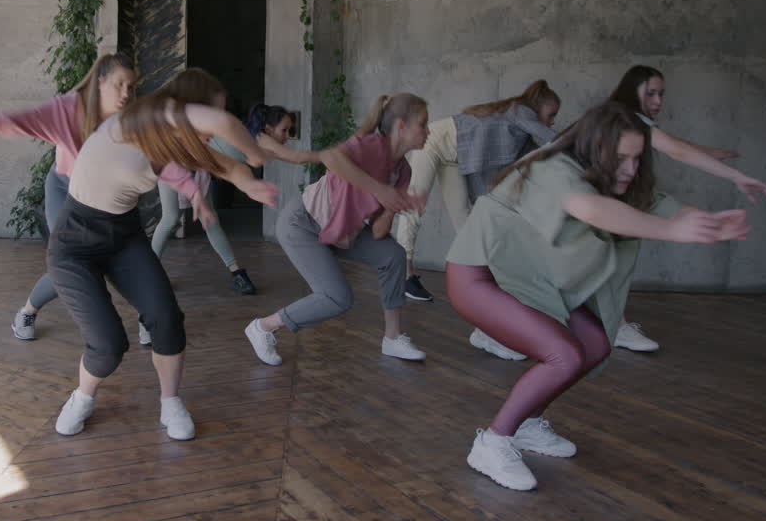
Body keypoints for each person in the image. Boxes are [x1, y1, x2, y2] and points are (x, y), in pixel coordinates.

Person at [445, 101, 748, 490]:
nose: (630, 169)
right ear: (592, 148)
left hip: (528, 278)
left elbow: (667, 209)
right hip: (479, 274)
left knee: (595, 343)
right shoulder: (553, 167)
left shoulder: (620, 181)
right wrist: (672, 232)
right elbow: (589, 208)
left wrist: (709, 224)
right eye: (621, 158)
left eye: (637, 159)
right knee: (564, 354)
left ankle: (527, 424)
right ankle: (492, 442)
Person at [48, 68, 276, 440]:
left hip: (124, 235)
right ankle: (82, 398)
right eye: (207, 115)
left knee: (167, 318)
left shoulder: (172, 142)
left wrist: (250, 185)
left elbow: (229, 167)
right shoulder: (145, 118)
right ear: (186, 108)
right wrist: (255, 154)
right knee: (108, 345)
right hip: (75, 242)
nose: (211, 131)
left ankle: (170, 402)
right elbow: (224, 126)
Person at [0, 53, 201, 341]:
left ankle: (150, 314)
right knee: (70, 264)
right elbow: (31, 118)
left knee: (131, 258)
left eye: (131, 86)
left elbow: (159, 155)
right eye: (119, 84)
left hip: (109, 198)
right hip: (66, 191)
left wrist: (191, 189)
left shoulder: (131, 120)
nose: (125, 93)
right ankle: (28, 311)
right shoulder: (68, 109)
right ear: (100, 82)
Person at [244, 93, 430, 367]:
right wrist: (381, 191)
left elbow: (378, 232)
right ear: (401, 127)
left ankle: (393, 338)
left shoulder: (403, 171)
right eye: (423, 124)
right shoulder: (371, 147)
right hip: (303, 223)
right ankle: (263, 327)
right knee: (337, 298)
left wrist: (395, 205)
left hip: (342, 231)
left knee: (393, 255)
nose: (428, 131)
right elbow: (332, 157)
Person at [602, 65, 766, 352]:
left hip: (633, 194)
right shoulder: (623, 116)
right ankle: (610, 326)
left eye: (661, 94)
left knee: (668, 220)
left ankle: (613, 324)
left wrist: (710, 154)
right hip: (602, 198)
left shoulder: (631, 117)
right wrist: (736, 176)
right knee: (608, 258)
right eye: (651, 93)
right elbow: (676, 150)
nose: (658, 101)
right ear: (632, 90)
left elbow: (674, 144)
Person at [397, 80, 562, 304]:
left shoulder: (521, 133)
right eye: (551, 114)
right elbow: (551, 140)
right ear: (538, 106)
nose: (552, 121)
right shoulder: (520, 111)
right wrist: (577, 142)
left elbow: (540, 155)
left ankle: (478, 276)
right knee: (415, 204)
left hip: (454, 158)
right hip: (434, 141)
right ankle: (404, 274)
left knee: (465, 219)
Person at [152, 102, 320, 300]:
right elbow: (298, 157)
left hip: (199, 168)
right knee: (171, 218)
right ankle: (149, 272)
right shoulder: (261, 138)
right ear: (268, 129)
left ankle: (237, 273)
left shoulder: (257, 140)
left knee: (210, 220)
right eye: (284, 130)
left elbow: (280, 158)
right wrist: (330, 157)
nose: (287, 135)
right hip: (172, 161)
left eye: (289, 130)